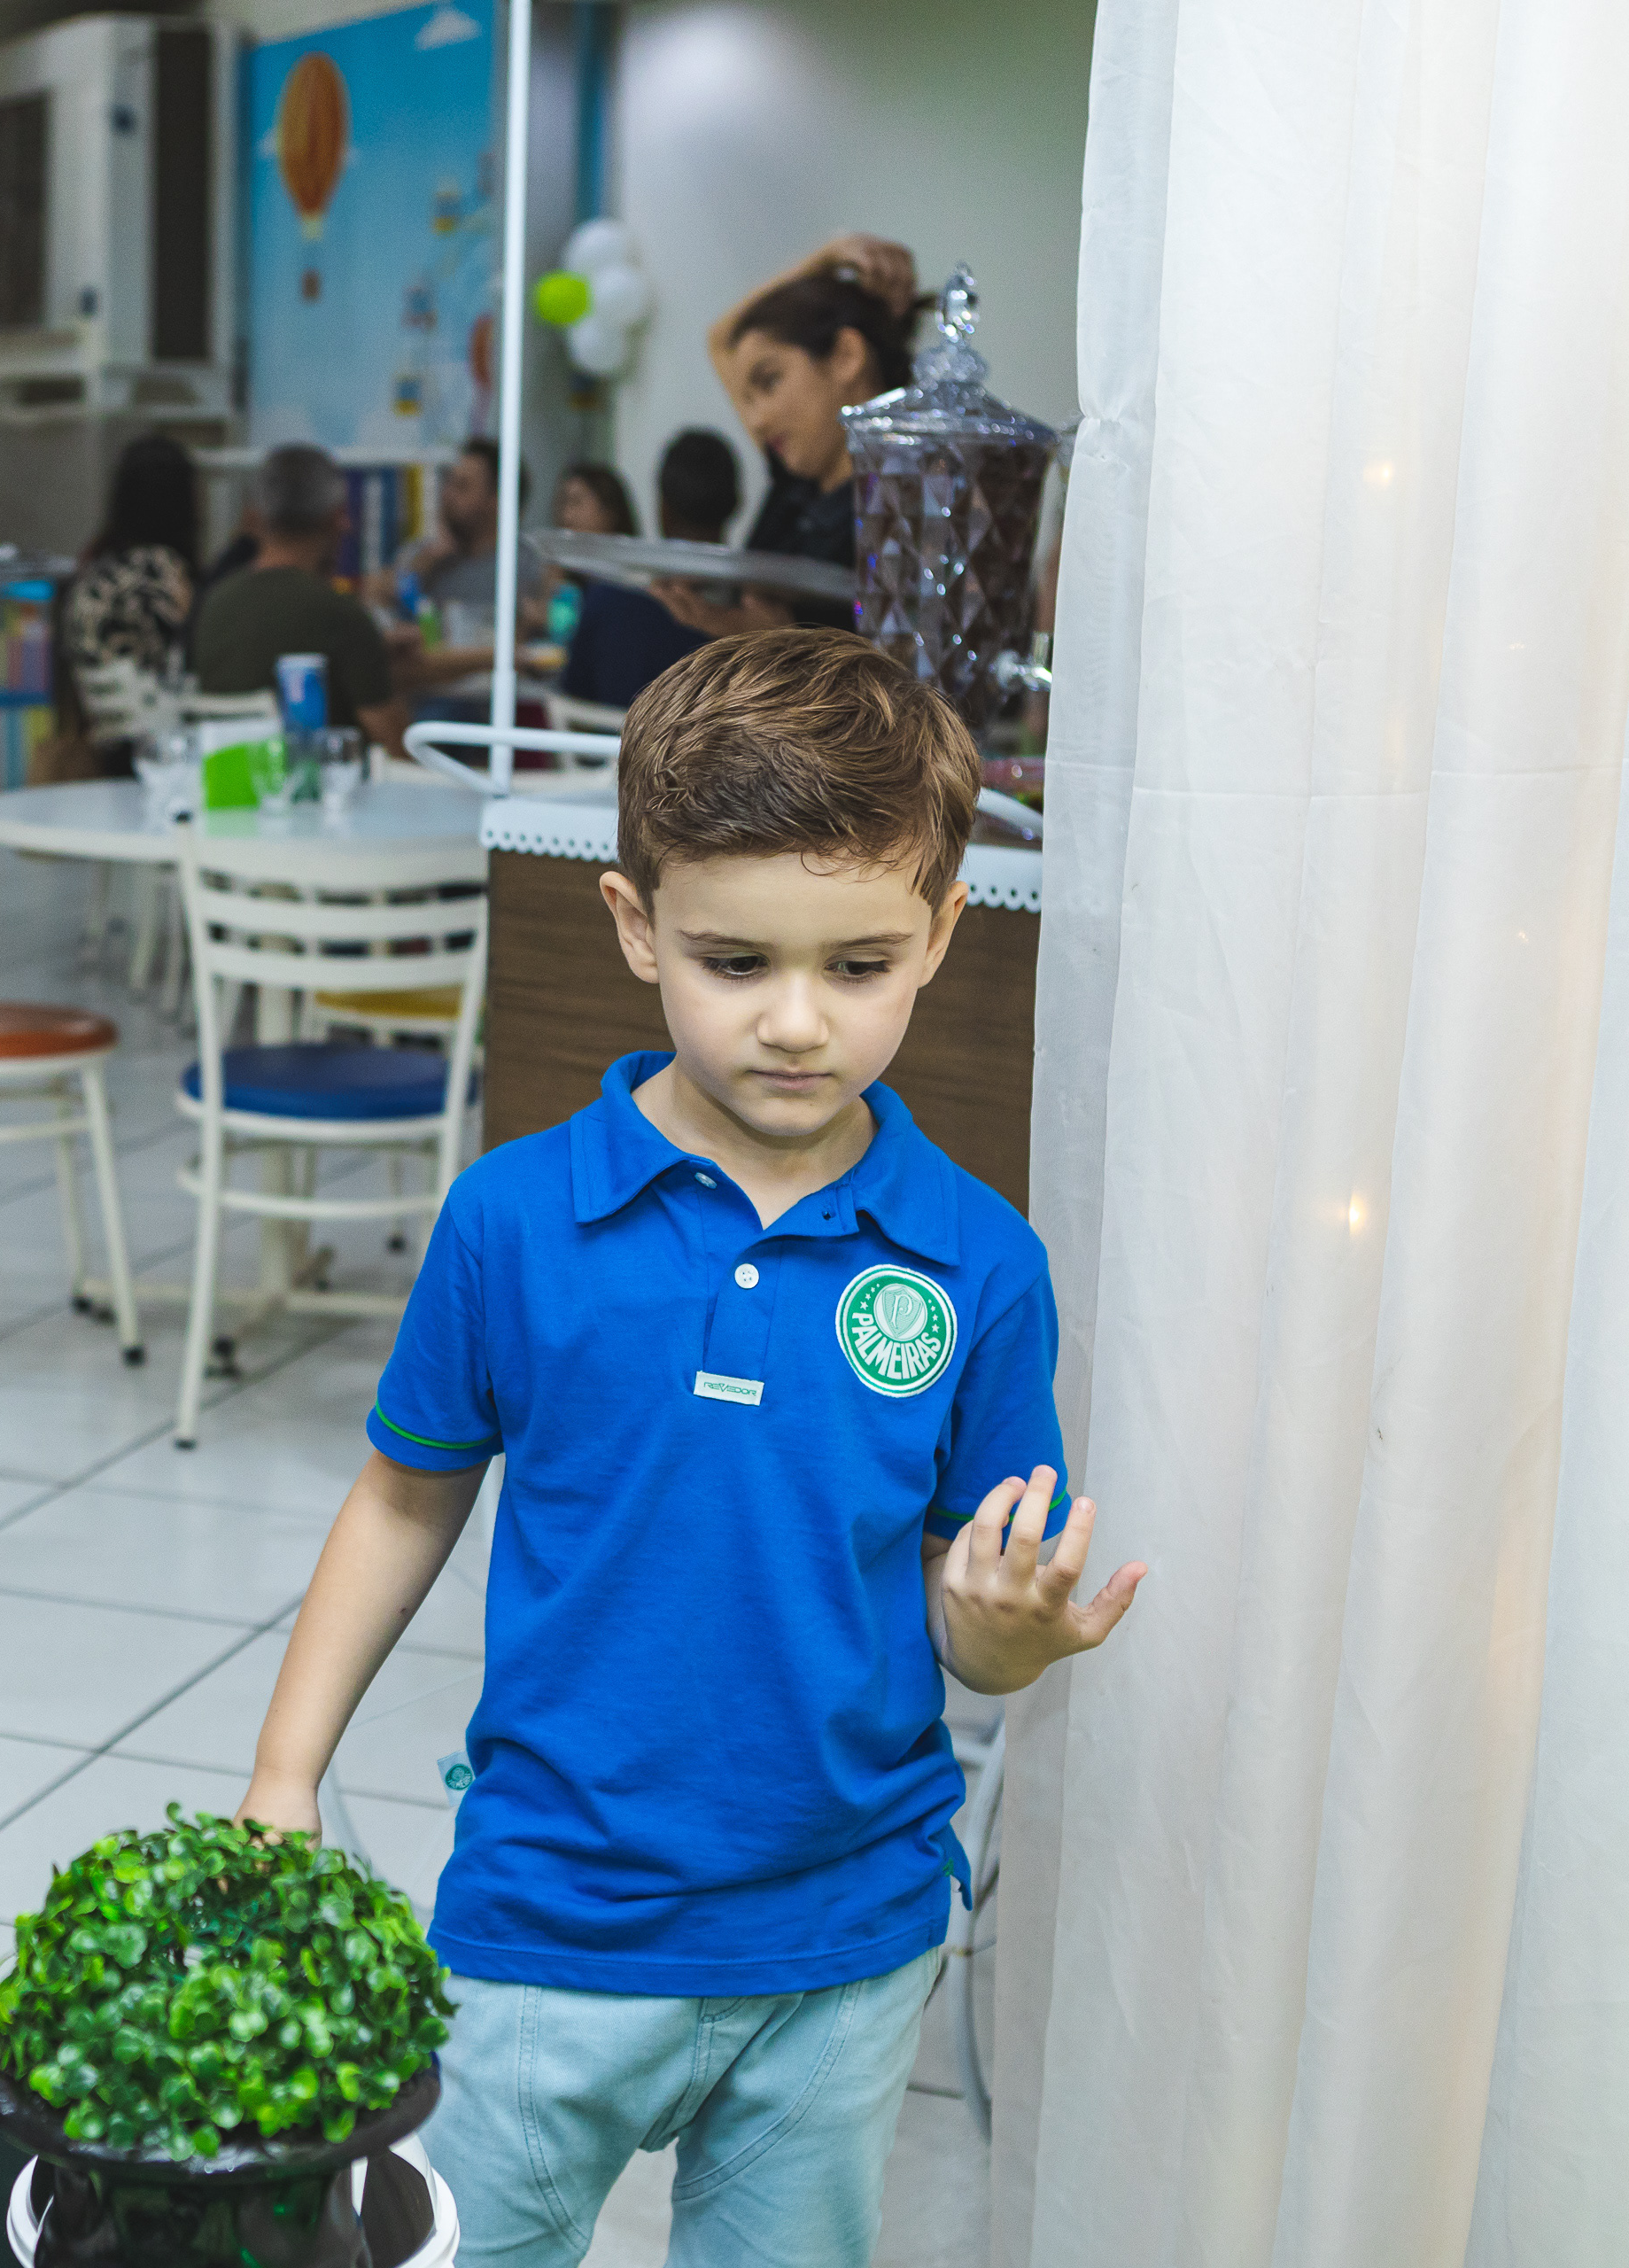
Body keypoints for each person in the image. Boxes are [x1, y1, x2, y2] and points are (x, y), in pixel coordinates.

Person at [237, 630, 1145, 2268]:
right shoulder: (513, 1219)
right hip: (550, 1919)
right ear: (635, 924)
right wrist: (285, 1772)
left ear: (943, 934)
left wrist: (1008, 1640)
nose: (797, 1024)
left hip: (843, 1940)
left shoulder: (981, 1264)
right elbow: (402, 1501)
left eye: (858, 967)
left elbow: (971, 1613)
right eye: (735, 963)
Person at [661, 232, 916, 637]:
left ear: (846, 356)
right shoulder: (794, 480)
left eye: (770, 381)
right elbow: (722, 340)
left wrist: (780, 644)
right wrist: (828, 255)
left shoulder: (909, 507)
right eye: (749, 397)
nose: (756, 420)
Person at [189, 442, 408, 757]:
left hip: (228, 778)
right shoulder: (337, 612)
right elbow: (395, 746)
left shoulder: (215, 603)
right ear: (335, 518)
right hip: (317, 782)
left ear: (258, 516)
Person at [557, 428, 739, 710]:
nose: (566, 516)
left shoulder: (607, 601)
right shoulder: (756, 619)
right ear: (737, 505)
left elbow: (572, 697)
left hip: (617, 739)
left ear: (662, 510)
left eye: (577, 503)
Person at [62, 431, 198, 768]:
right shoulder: (163, 572)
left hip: (105, 748)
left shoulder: (93, 570)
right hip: (160, 750)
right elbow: (188, 663)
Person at [383, 435, 550, 698]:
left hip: (501, 700)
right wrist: (420, 566)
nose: (447, 495)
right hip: (429, 701)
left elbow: (532, 654)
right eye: (449, 482)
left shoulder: (529, 564)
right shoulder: (420, 555)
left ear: (496, 500)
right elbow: (390, 650)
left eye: (462, 487)